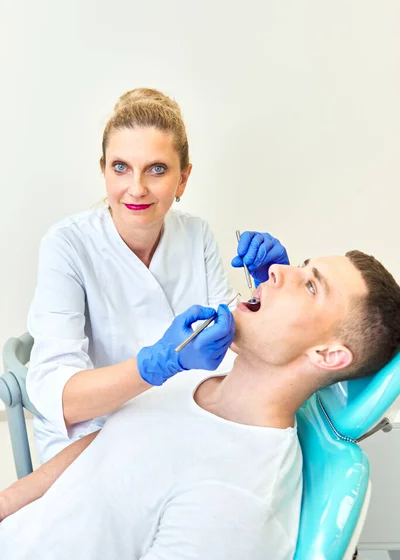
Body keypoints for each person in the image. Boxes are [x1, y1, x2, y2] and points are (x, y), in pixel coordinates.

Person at [1, 249, 400, 560]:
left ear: (329, 355)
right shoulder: (197, 377)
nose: (278, 271)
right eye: (301, 265)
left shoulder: (239, 504)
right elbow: (101, 448)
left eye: (311, 285)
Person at [26, 87, 289, 463]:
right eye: (121, 167)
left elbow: (239, 342)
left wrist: (267, 289)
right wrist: (157, 364)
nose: (136, 188)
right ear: (103, 170)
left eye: (157, 169)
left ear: (183, 178)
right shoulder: (67, 245)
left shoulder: (196, 235)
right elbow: (60, 399)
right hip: (93, 443)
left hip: (180, 426)